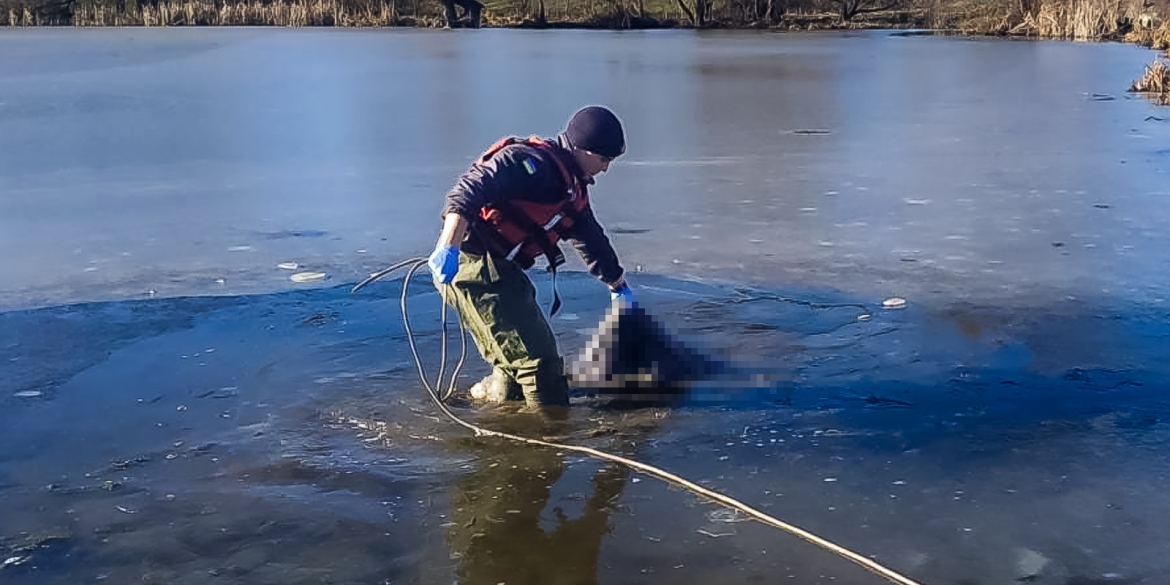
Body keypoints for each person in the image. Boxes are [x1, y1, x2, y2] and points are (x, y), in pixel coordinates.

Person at [428, 105, 635, 409]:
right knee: (539, 363)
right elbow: (467, 192)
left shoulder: (570, 190)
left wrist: (618, 287)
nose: (605, 168)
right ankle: (550, 439)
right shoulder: (529, 163)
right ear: (582, 148)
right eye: (603, 159)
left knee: (514, 366)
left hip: (504, 272)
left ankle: (501, 418)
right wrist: (448, 248)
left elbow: (593, 242)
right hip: (471, 267)